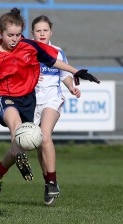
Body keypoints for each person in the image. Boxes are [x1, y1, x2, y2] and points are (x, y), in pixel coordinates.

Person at [0, 8, 99, 198]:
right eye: (10, 35)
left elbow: (52, 61)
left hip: (28, 99)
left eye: (17, 35)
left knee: (22, 143)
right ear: (0, 34)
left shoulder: (29, 46)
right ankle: (25, 161)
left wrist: (76, 72)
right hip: (5, 97)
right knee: (16, 128)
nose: (14, 39)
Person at [31, 15, 81, 205]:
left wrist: (71, 87)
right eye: (38, 30)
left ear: (51, 32)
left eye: (45, 30)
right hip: (32, 101)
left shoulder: (58, 52)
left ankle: (52, 180)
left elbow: (64, 74)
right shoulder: (27, 51)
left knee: (45, 136)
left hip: (52, 99)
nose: (42, 33)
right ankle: (48, 183)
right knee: (37, 143)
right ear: (32, 33)